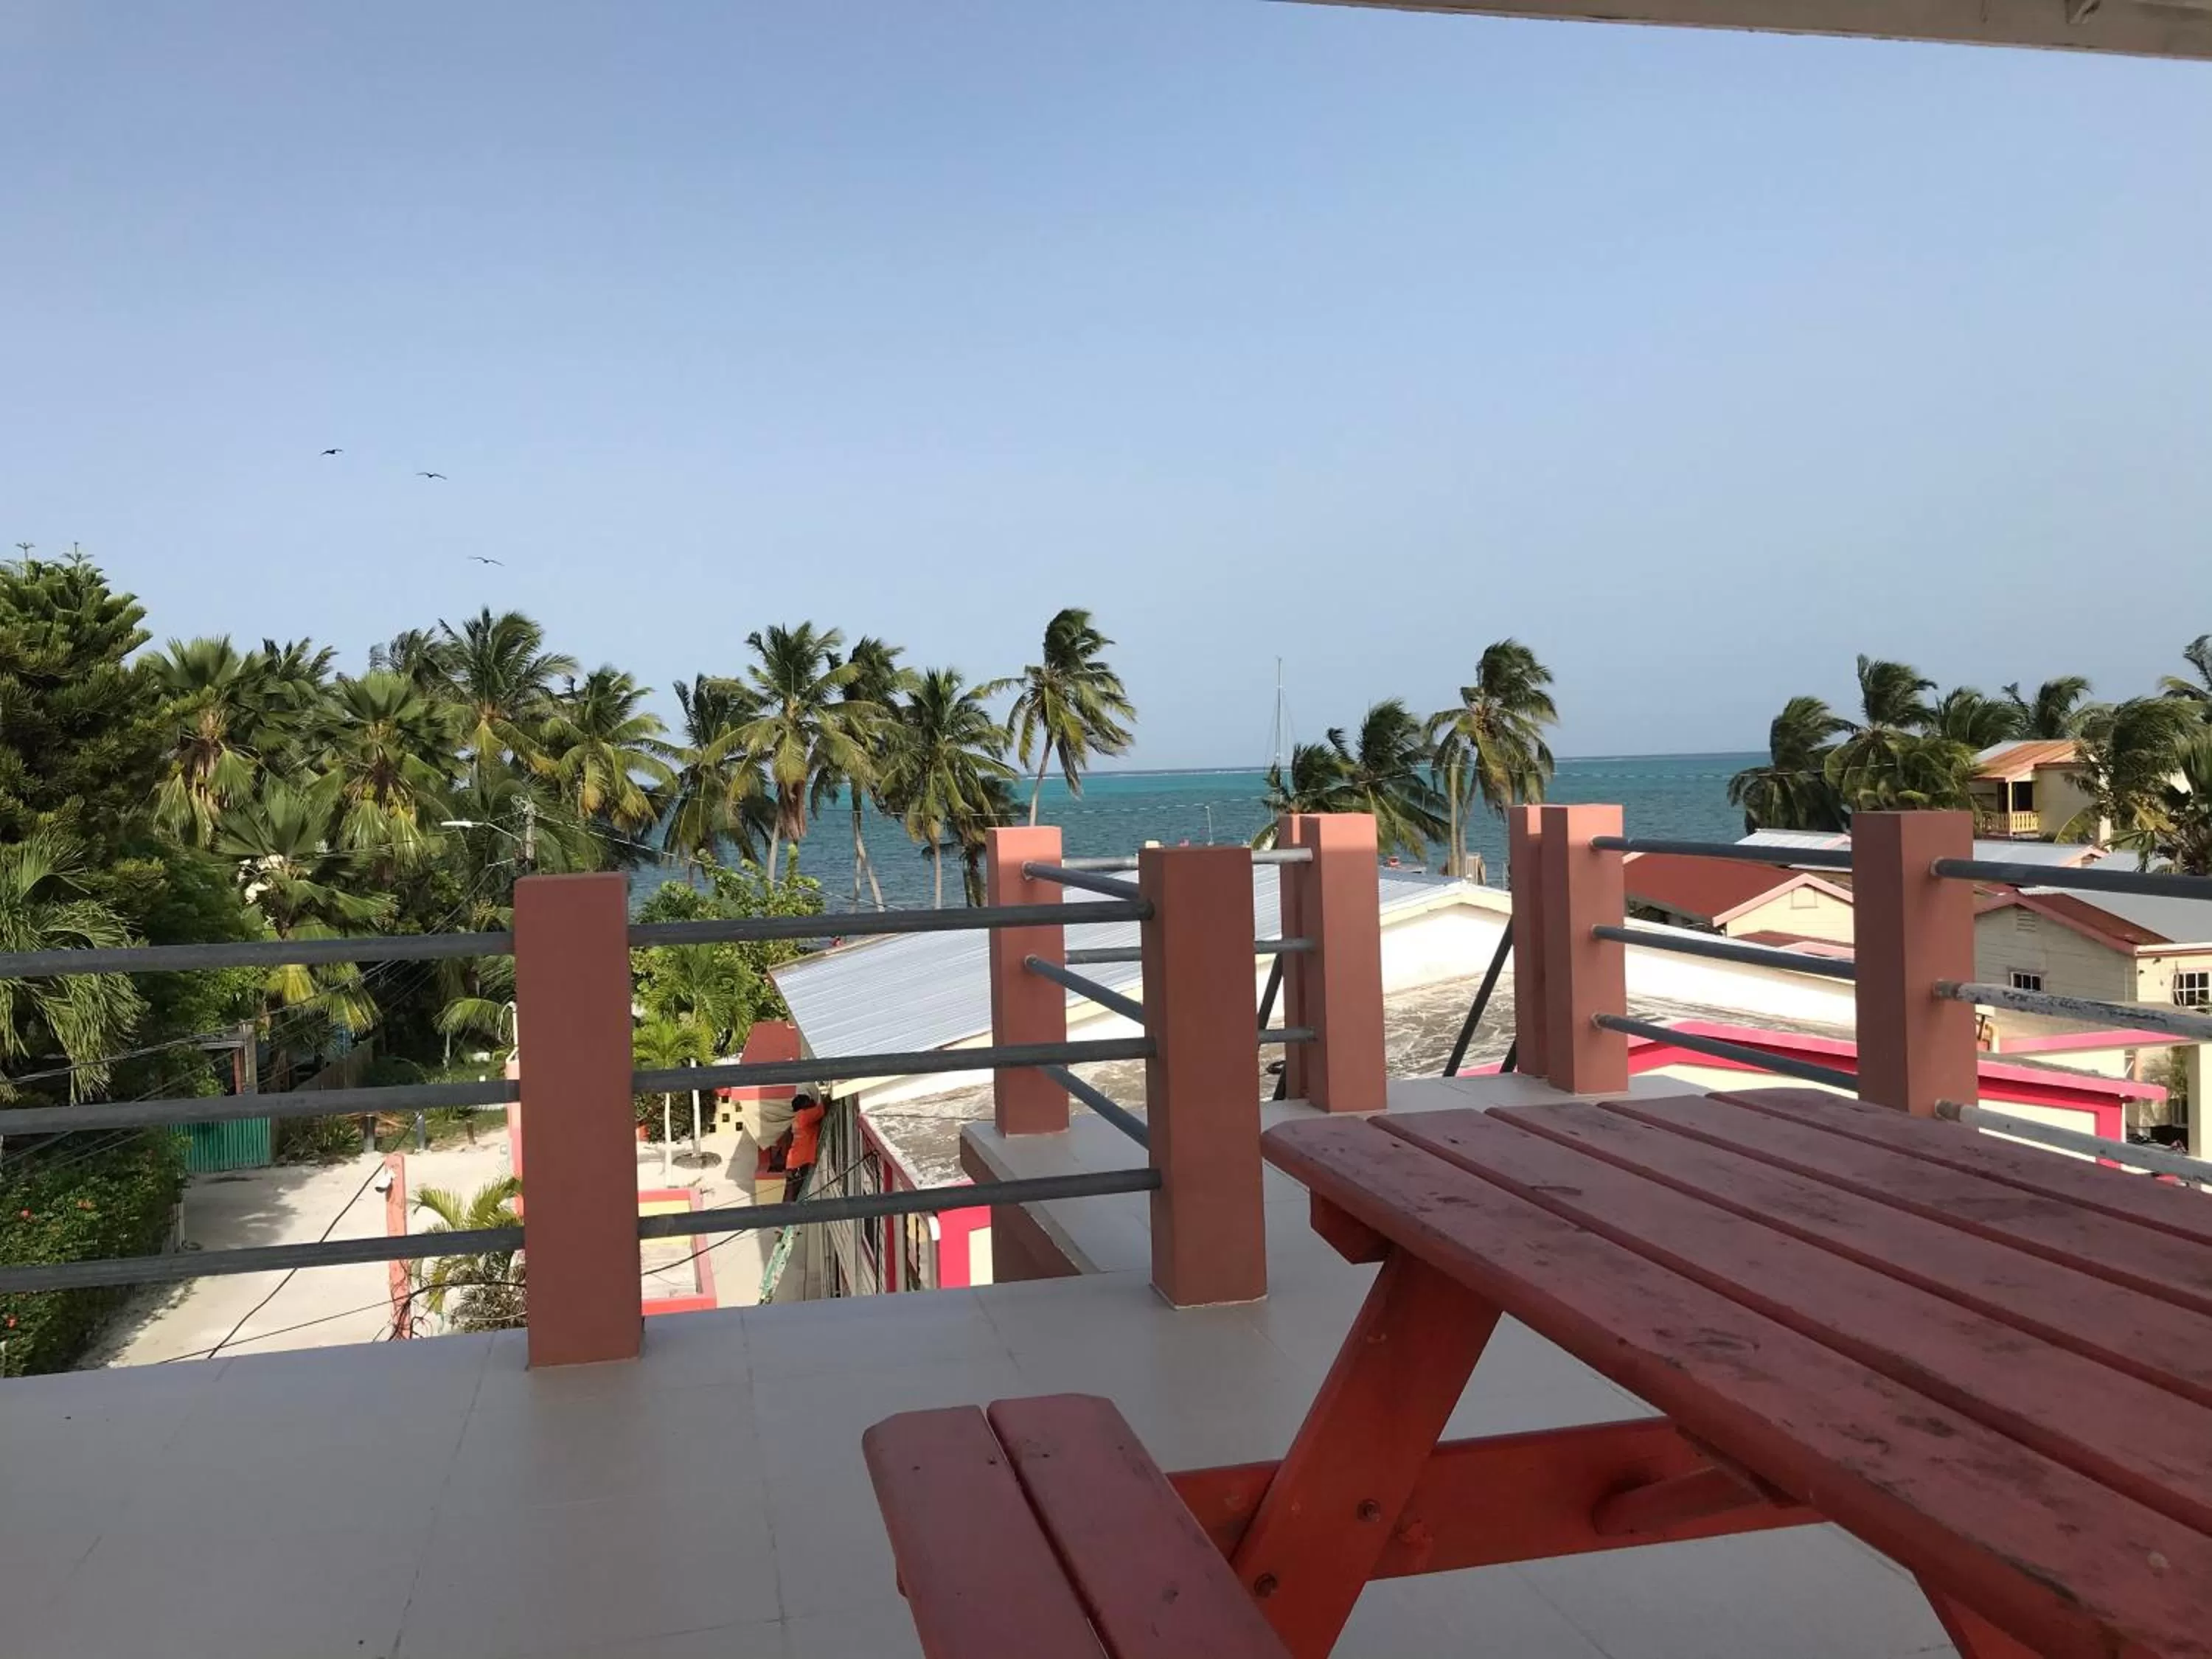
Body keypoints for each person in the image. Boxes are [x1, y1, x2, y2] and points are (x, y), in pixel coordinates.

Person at [783, 1091, 825, 1203]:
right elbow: (825, 1107)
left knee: (792, 1194)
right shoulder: (805, 1116)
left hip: (795, 1161)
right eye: (809, 1101)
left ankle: (785, 1216)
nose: (812, 1102)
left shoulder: (798, 1117)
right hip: (800, 1161)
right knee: (794, 1196)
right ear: (803, 1106)